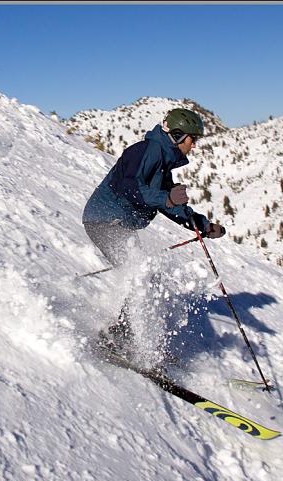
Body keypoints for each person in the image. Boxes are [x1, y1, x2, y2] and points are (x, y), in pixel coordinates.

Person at [82, 108, 225, 357]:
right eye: (193, 139)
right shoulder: (144, 150)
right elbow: (129, 186)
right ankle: (117, 339)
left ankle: (128, 336)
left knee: (146, 276)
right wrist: (165, 197)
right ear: (179, 135)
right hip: (103, 220)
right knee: (141, 275)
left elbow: (172, 206)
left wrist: (203, 226)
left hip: (118, 225)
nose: (194, 145)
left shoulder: (162, 165)